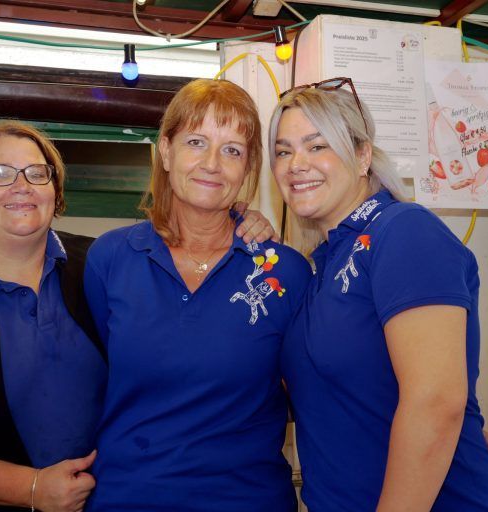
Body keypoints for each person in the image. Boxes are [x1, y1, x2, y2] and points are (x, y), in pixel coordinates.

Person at [0, 120, 275, 512]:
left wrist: (237, 222)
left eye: (38, 173)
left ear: (55, 192)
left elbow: (184, 347)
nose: (22, 186)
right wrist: (32, 487)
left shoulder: (102, 264)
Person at [270, 78, 488, 511]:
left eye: (317, 145)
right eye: (284, 151)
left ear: (363, 155)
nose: (296, 164)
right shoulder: (322, 264)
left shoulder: (403, 230)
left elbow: (436, 402)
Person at [83, 79, 312, 511]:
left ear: (248, 169)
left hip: (246, 500)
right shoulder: (110, 258)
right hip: (127, 499)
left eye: (232, 150)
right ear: (166, 152)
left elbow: (321, 396)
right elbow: (92, 382)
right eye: (196, 142)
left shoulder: (285, 273)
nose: (212, 163)